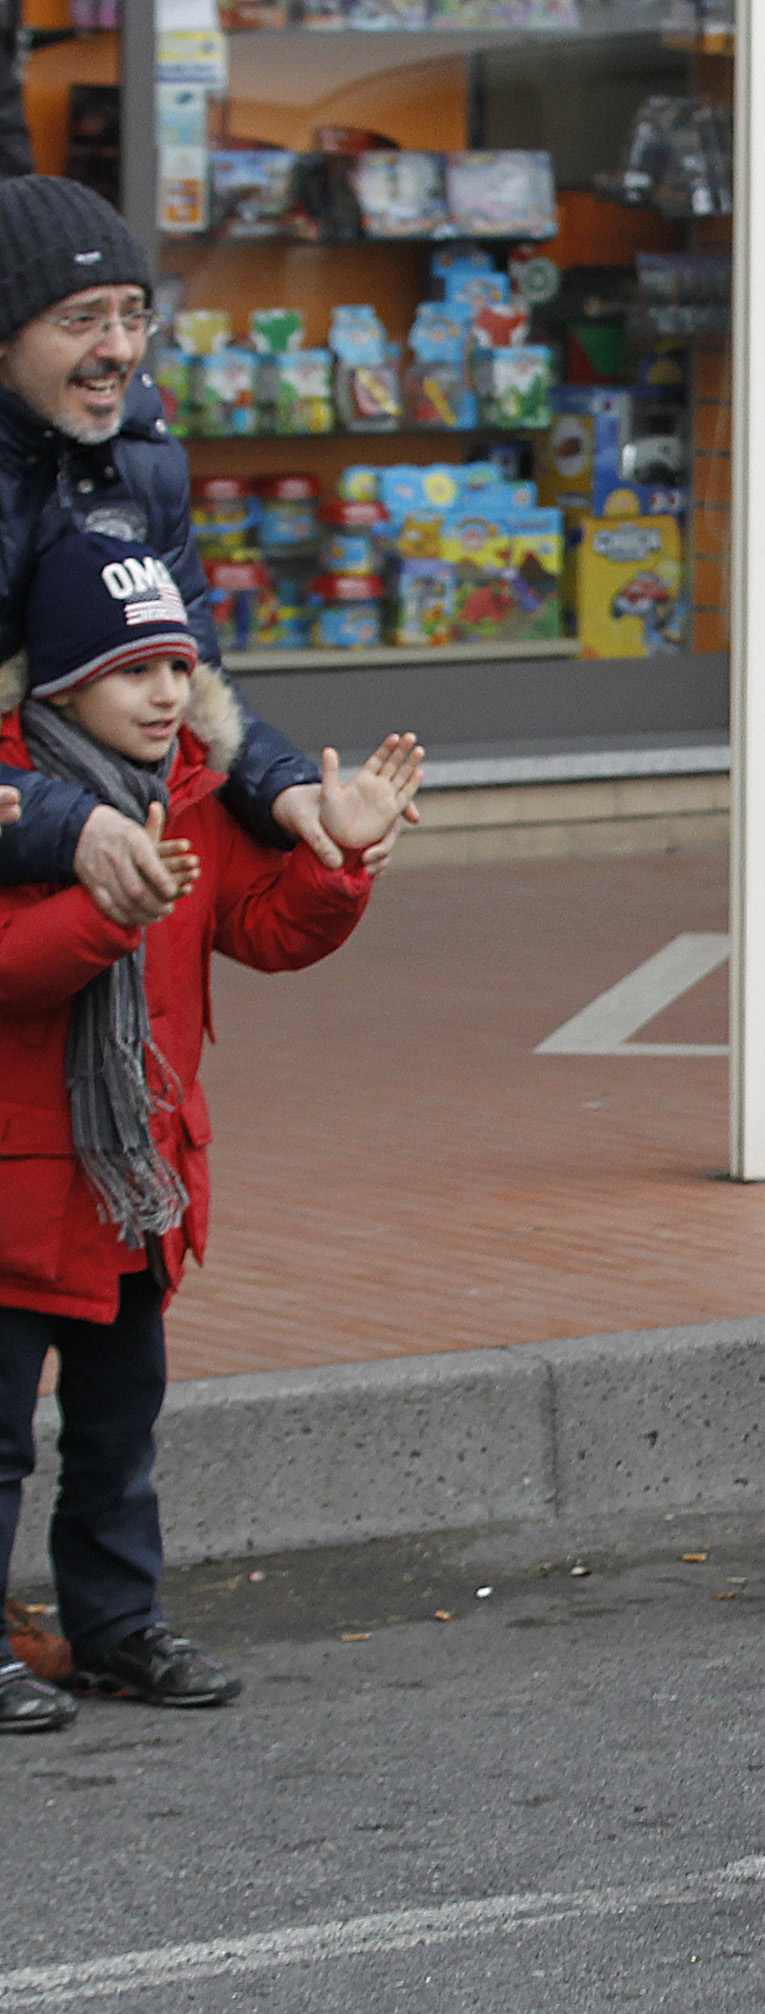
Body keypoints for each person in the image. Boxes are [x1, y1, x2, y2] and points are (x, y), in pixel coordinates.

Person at [0, 532, 418, 1734]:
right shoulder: (19, 801)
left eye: (181, 666)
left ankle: (117, 1630)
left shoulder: (191, 784)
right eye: (137, 671)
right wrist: (103, 913)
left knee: (117, 1439)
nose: (170, 693)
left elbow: (265, 925)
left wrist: (339, 856)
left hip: (135, 1191)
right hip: (23, 1193)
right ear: (65, 680)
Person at [0, 175, 370, 928]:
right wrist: (72, 826)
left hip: (111, 878)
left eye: (135, 318)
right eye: (82, 322)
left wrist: (287, 794)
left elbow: (192, 681)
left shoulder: (144, 461)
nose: (119, 350)